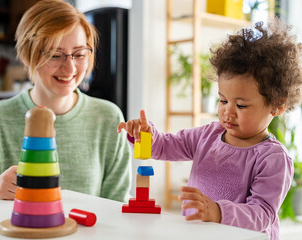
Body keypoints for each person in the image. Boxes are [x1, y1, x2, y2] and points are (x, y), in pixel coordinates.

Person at [117, 19, 302, 240]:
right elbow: (166, 146)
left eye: (241, 105)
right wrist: (146, 136)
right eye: (223, 100)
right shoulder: (207, 135)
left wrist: (217, 211)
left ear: (277, 105)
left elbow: (262, 214)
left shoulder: (273, 158)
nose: (228, 112)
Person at [0, 0, 131, 203]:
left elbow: (116, 210)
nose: (70, 69)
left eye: (79, 54)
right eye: (55, 55)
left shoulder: (110, 118)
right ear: (25, 56)